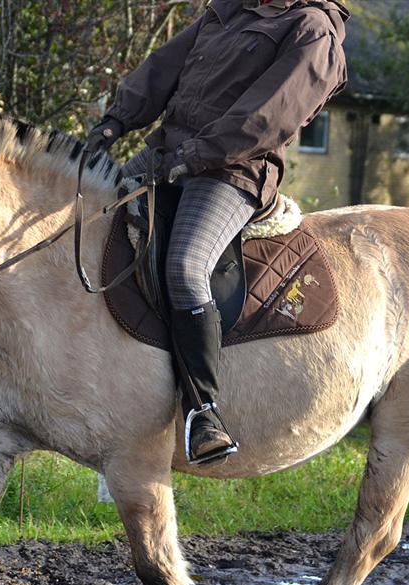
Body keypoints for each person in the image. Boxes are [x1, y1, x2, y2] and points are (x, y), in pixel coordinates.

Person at [85, 0, 349, 465]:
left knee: (186, 268)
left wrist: (195, 154)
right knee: (91, 222)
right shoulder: (229, 9)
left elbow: (266, 117)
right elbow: (164, 66)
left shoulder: (314, 31)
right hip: (170, 150)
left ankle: (203, 413)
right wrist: (117, 120)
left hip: (234, 171)